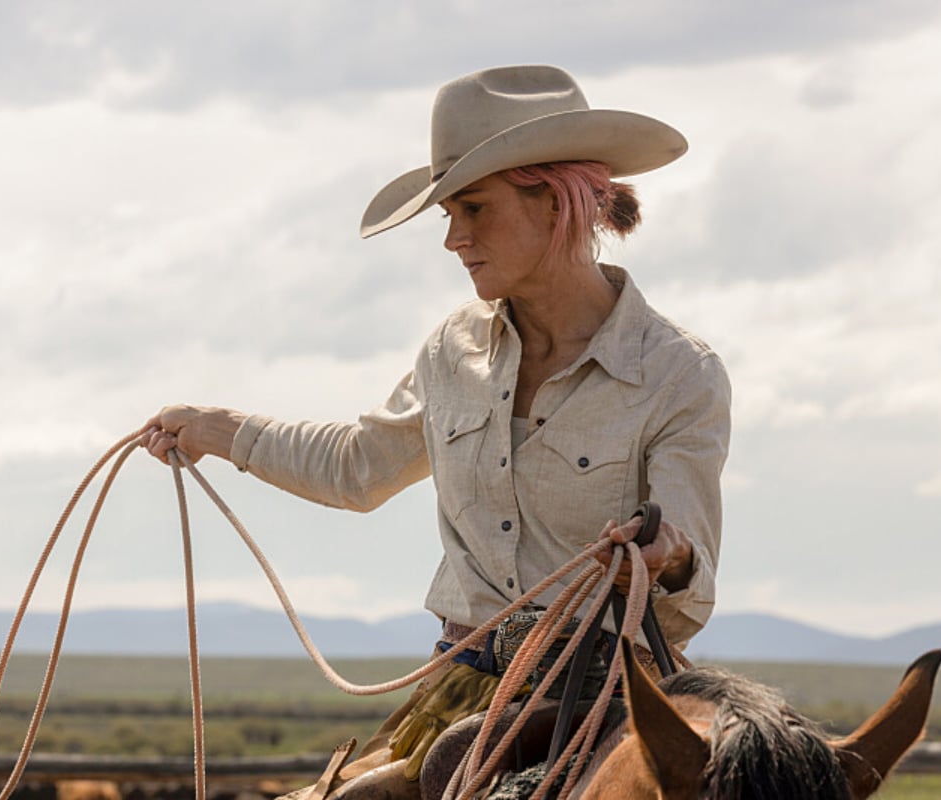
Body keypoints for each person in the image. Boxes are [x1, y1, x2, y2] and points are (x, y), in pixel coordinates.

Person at [142, 65, 731, 798]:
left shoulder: (679, 374)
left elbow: (686, 583)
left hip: (606, 709)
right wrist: (218, 429)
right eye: (449, 213)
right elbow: (360, 468)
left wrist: (664, 558)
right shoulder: (452, 352)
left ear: (554, 203)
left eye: (474, 209)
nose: (454, 238)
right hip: (462, 692)